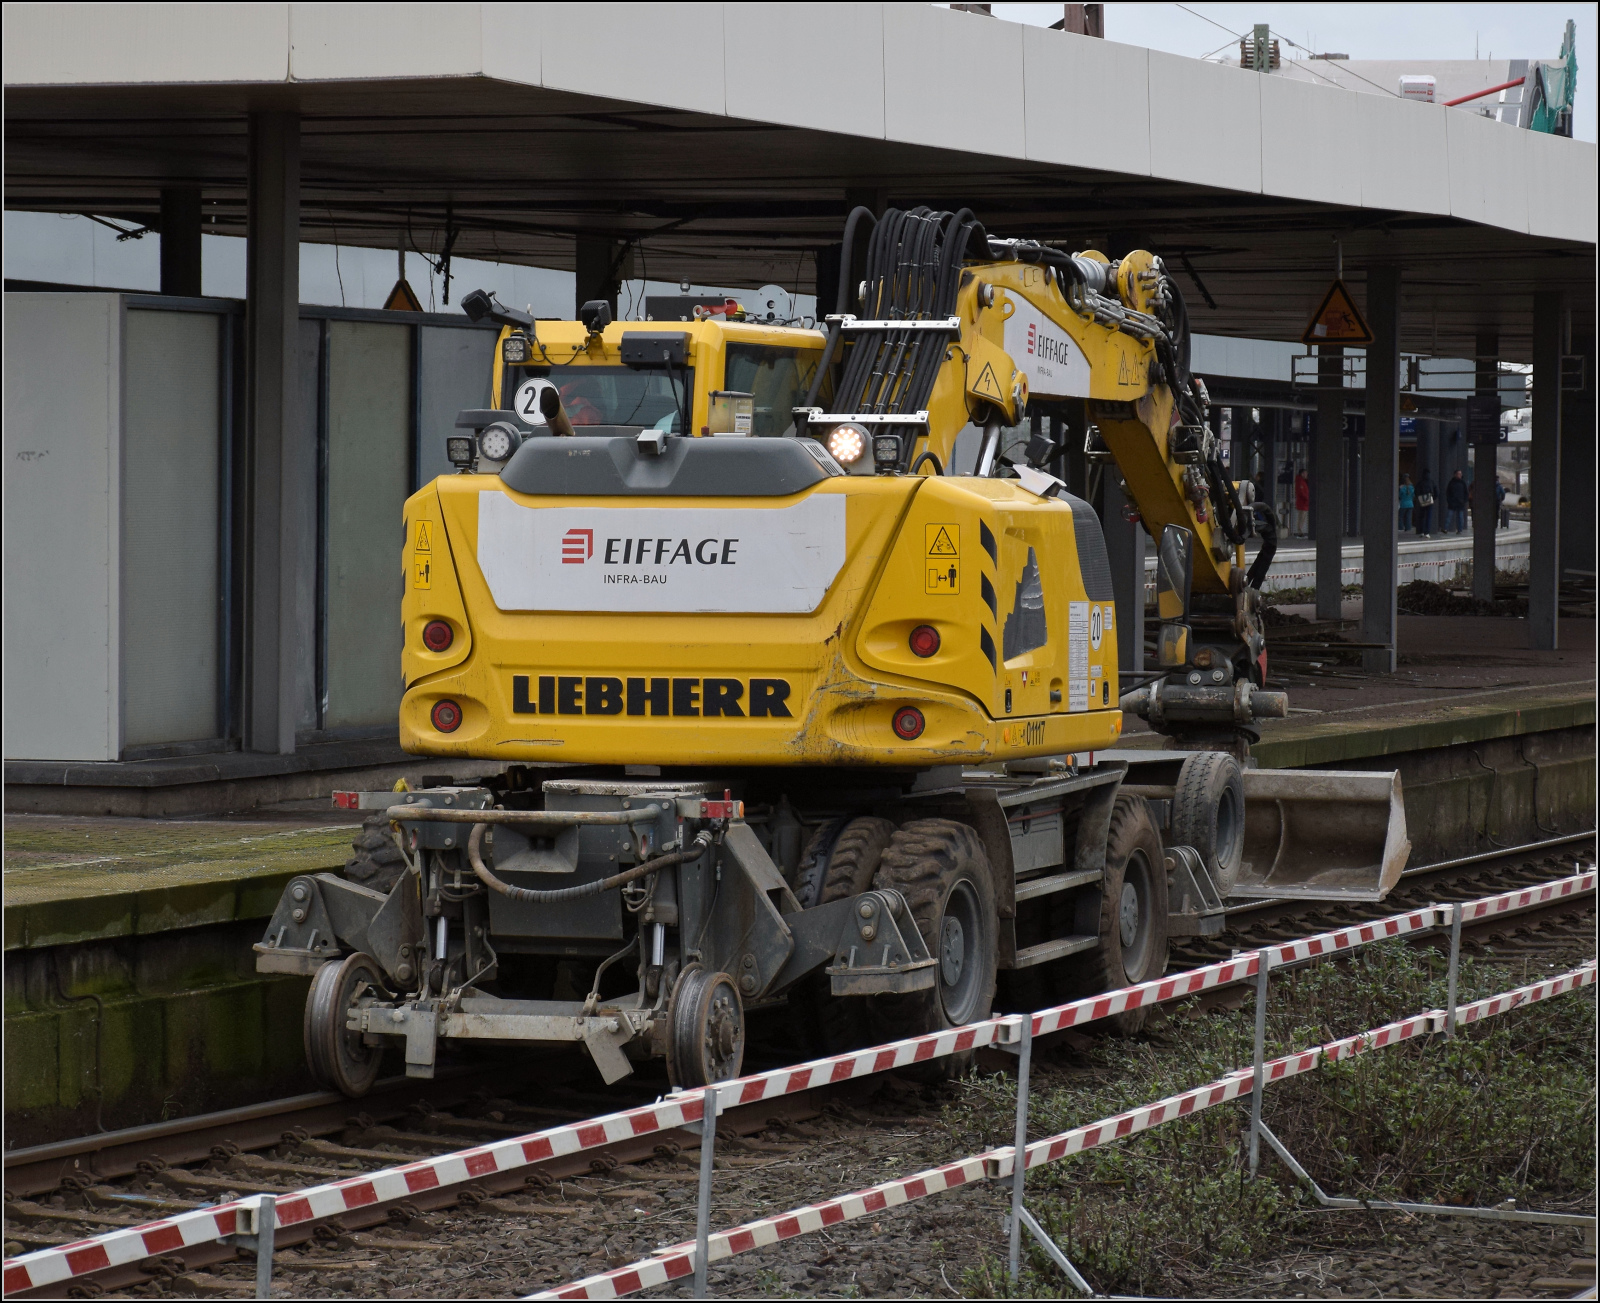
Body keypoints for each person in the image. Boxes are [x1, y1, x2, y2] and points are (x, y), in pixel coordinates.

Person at [1445, 469, 1468, 533]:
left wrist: (1464, 501)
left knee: (1460, 517)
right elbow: (1448, 492)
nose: (1460, 475)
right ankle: (1446, 528)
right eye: (1458, 474)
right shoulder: (1451, 482)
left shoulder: (1463, 483)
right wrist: (1449, 500)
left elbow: (1466, 492)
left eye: (1460, 474)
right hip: (1452, 502)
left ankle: (1459, 530)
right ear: (1455, 474)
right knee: (1449, 516)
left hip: (1460, 503)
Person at [1414, 471, 1436, 537]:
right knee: (1428, 517)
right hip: (1429, 499)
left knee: (1422, 516)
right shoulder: (1432, 482)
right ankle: (1427, 532)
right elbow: (1437, 491)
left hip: (1422, 500)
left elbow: (1416, 491)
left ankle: (1421, 531)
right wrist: (1433, 498)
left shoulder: (1420, 482)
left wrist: (1419, 497)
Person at [1293, 467, 1310, 537]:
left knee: (1302, 518)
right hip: (1302, 503)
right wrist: (1307, 498)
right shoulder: (1300, 482)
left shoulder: (1302, 481)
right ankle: (1299, 532)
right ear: (1302, 474)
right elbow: (1302, 493)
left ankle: (1300, 531)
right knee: (1301, 518)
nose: (1306, 475)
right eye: (1305, 473)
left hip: (1304, 503)